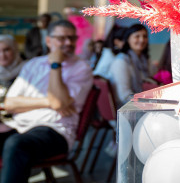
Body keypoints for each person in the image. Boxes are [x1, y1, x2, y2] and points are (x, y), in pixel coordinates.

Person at [0, 20, 93, 183]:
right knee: (14, 142)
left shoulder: (81, 68)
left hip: (55, 131)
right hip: (19, 127)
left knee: (16, 145)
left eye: (72, 38)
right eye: (62, 38)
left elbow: (59, 103)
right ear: (48, 40)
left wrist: (56, 64)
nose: (68, 43)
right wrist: (49, 102)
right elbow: (9, 104)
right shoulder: (33, 64)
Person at [108, 23, 151, 106]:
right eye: (137, 36)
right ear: (128, 39)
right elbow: (124, 96)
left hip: (139, 103)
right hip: (124, 108)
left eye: (145, 36)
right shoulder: (121, 61)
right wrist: (148, 104)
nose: (142, 40)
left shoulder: (144, 60)